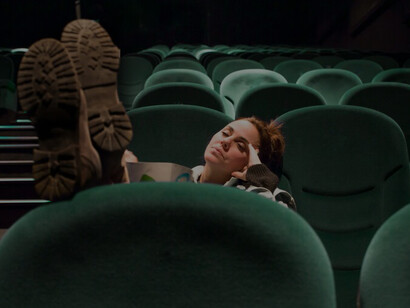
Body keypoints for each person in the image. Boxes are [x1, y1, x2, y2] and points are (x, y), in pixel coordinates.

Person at [191, 117, 296, 210]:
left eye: (240, 145)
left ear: (250, 162)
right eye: (225, 133)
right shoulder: (178, 177)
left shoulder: (272, 197)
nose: (226, 141)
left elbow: (272, 227)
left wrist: (261, 181)